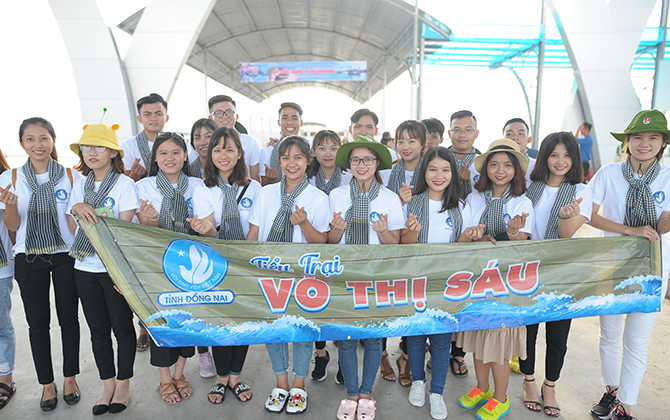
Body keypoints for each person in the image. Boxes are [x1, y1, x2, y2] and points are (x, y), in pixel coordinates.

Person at [588, 110, 670, 420]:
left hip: (652, 267)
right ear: (627, 142)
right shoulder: (608, 173)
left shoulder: (668, 177)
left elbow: (664, 223)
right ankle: (612, 391)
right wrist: (631, 230)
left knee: (637, 340)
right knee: (609, 333)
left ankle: (626, 405)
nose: (644, 143)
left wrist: (662, 222)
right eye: (637, 137)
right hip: (612, 263)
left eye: (653, 138)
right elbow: (589, 215)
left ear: (662, 143)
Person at [0, 117, 82, 411]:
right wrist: (11, 206)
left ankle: (70, 378)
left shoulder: (71, 177)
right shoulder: (9, 179)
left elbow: (76, 223)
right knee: (37, 324)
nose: (38, 144)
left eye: (44, 138)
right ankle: (47, 384)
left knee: (69, 319)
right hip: (28, 257)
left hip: (65, 256)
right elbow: (12, 227)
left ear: (53, 140)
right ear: (22, 143)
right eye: (31, 139)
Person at [247, 135, 330, 414]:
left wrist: (304, 224)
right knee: (275, 330)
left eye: (297, 157)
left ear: (308, 160)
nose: (291, 163)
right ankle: (281, 384)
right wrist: (245, 265)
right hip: (269, 273)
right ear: (278, 161)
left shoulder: (318, 198)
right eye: (285, 158)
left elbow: (322, 242)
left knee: (302, 330)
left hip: (304, 276)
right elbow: (255, 232)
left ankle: (299, 385)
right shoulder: (266, 193)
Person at [401, 146, 482, 420]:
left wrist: (470, 236)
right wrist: (411, 233)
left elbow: (462, 248)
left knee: (441, 339)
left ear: (453, 174)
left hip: (448, 286)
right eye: (433, 169)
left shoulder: (461, 206)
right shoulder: (411, 203)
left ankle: (437, 392)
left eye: (445, 170)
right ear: (424, 172)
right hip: (415, 282)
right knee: (415, 336)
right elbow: (401, 246)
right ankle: (418, 381)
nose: (439, 175)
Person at [456, 138, 533, 420]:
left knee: (499, 344)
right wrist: (472, 237)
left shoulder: (523, 202)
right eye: (494, 164)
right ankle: (482, 388)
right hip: (477, 281)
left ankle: (501, 398)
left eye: (507, 165)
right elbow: (463, 238)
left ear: (516, 170)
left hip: (506, 286)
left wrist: (512, 233)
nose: (500, 170)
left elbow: (523, 243)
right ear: (485, 168)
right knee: (479, 338)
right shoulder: (474, 199)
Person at [329, 135, 405, 420]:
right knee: (347, 338)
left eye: (368, 160)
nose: (361, 165)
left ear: (377, 164)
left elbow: (396, 244)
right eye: (356, 160)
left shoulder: (389, 198)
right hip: (344, 274)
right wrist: (337, 230)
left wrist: (383, 232)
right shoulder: (336, 196)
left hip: (377, 276)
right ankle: (351, 394)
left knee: (374, 339)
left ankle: (367, 394)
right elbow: (329, 240)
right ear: (349, 165)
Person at [67, 124, 138, 415]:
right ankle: (107, 384)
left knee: (122, 327)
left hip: (112, 268)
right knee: (98, 330)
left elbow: (123, 230)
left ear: (113, 153)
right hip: (83, 266)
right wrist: (77, 207)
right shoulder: (79, 185)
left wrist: (91, 214)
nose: (92, 152)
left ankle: (123, 384)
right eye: (86, 147)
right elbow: (73, 228)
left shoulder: (124, 185)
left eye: (99, 147)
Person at [520, 132, 592, 417]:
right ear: (544, 157)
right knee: (527, 330)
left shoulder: (580, 191)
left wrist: (565, 216)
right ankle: (528, 381)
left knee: (558, 334)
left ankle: (549, 386)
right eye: (553, 155)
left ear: (575, 158)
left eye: (567, 155)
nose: (560, 161)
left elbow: (565, 235)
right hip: (527, 269)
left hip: (562, 270)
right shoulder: (530, 186)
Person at [189, 127, 259, 405]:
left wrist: (244, 262)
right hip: (215, 265)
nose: (223, 155)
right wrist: (204, 229)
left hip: (246, 264)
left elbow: (256, 229)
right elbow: (211, 232)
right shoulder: (203, 189)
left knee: (243, 321)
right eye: (217, 149)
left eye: (229, 149)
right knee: (219, 321)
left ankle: (235, 376)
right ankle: (221, 377)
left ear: (240, 153)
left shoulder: (255, 188)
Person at [135, 132, 206, 404]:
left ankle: (179, 374)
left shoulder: (198, 185)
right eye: (163, 153)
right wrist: (150, 221)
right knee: (162, 320)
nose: (170, 158)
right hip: (156, 264)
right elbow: (143, 231)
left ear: (185, 156)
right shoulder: (144, 186)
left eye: (176, 152)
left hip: (190, 263)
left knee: (187, 318)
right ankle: (164, 379)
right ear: (154, 158)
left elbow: (205, 224)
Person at [208, 95, 260, 182]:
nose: (224, 116)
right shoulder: (206, 143)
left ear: (237, 116)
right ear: (210, 118)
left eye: (229, 112)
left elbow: (255, 179)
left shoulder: (250, 142)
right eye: (218, 113)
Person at [121, 93, 170, 182]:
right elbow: (123, 184)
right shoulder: (128, 146)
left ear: (166, 117)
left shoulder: (176, 144)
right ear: (139, 119)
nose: (153, 118)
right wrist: (135, 175)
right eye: (147, 114)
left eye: (158, 114)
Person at [0, 149, 15, 411]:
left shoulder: (6, 181)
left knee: (1, 325)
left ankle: (5, 378)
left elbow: (13, 227)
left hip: (0, 267)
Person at [262, 102, 304, 185]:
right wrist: (269, 180)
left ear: (301, 122)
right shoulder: (267, 151)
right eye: (285, 118)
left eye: (294, 118)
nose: (289, 122)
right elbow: (262, 185)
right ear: (279, 122)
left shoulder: (310, 148)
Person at [447, 110, 480, 200]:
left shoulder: (484, 163)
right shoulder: (440, 160)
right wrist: (456, 179)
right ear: (449, 133)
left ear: (476, 133)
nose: (462, 135)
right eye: (457, 130)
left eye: (468, 130)